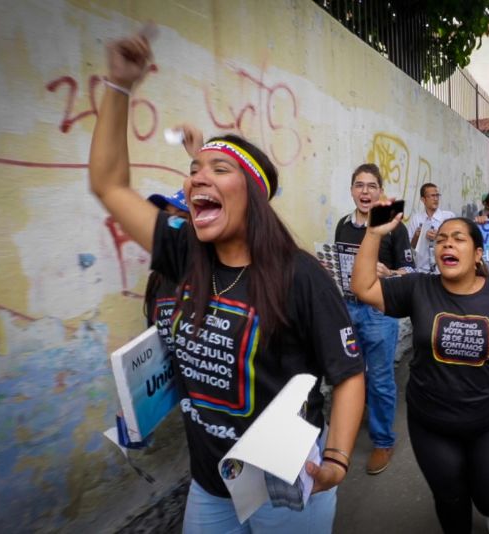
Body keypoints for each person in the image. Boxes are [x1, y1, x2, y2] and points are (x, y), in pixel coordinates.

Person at [89, 30, 365, 533]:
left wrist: (338, 461)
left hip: (286, 488)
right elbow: (109, 184)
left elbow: (347, 375)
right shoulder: (178, 252)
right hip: (210, 488)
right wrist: (120, 86)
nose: (196, 178)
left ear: (254, 197)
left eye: (218, 169)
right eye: (194, 171)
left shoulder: (299, 276)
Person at [351, 211, 489, 534]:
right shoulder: (418, 287)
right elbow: (363, 288)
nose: (447, 243)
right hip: (431, 422)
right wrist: (374, 233)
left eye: (458, 238)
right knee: (450, 500)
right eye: (442, 239)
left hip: (488, 421)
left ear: (477, 254)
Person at [335, 163, 414, 475]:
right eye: (359, 185)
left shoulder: (394, 225)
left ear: (380, 190)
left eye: (371, 186)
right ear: (352, 190)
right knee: (348, 375)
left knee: (379, 379)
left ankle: (383, 441)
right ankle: (348, 428)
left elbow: (408, 272)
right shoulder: (343, 223)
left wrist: (390, 272)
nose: (365, 191)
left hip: (379, 311)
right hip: (347, 308)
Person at [143, 189, 190, 326]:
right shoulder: (157, 278)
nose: (169, 225)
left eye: (180, 218)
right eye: (166, 217)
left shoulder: (217, 280)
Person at [407, 183, 455, 273]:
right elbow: (411, 247)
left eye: (437, 195)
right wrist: (417, 236)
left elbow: (455, 241)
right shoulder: (416, 219)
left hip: (443, 270)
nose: (436, 199)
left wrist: (439, 237)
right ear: (423, 199)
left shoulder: (448, 217)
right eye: (432, 196)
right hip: (422, 270)